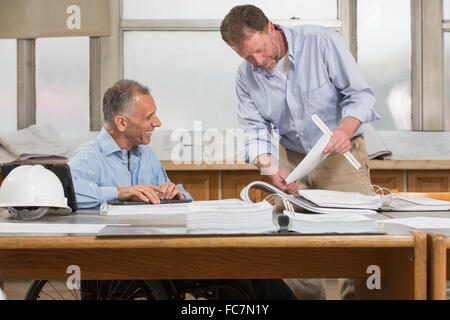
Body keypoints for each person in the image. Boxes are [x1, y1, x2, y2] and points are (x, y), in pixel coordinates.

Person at [69, 79, 296, 300]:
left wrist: (176, 193)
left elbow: (184, 199)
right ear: (121, 123)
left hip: (162, 251)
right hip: (124, 261)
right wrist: (119, 192)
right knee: (232, 274)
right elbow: (67, 195)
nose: (157, 123)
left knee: (251, 267)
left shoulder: (144, 154)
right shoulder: (90, 156)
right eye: (149, 117)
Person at [220, 5, 381, 299]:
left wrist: (344, 129)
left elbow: (360, 95)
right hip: (293, 161)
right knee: (294, 248)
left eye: (259, 49)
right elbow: (254, 129)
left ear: (270, 27)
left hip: (340, 157)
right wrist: (270, 169)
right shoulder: (246, 76)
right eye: (246, 56)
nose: (257, 61)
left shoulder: (320, 42)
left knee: (356, 246)